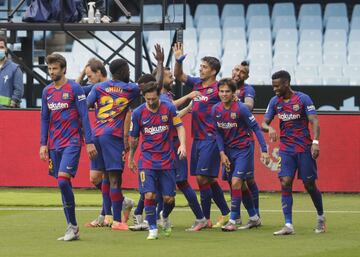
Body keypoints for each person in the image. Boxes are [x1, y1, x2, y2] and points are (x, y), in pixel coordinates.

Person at [39, 53, 97, 241]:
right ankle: (72, 227)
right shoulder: (47, 91)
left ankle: (72, 226)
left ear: (63, 69)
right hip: (54, 144)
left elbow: (84, 116)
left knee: (63, 180)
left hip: (72, 142)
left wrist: (88, 141)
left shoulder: (75, 88)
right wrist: (43, 144)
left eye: (55, 68)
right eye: (49, 69)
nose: (51, 72)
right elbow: (45, 119)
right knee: (62, 184)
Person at [173, 42, 230, 228]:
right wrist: (178, 60)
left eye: (204, 67)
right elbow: (178, 75)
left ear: (213, 71)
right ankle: (226, 212)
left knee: (201, 178)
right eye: (201, 66)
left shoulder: (218, 89)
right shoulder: (197, 84)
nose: (201, 69)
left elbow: (230, 97)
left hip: (211, 137)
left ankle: (204, 219)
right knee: (208, 179)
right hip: (197, 138)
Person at [261, 70, 326, 235]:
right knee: (285, 181)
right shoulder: (275, 101)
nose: (275, 89)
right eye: (273, 86)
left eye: (277, 86)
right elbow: (264, 123)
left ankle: (321, 217)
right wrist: (270, 128)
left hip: (304, 147)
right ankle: (288, 225)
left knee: (309, 185)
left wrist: (316, 142)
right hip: (286, 149)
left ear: (286, 84)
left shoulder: (303, 99)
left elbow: (314, 121)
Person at [152, 44, 207, 231]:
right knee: (161, 183)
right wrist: (188, 98)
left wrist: (187, 109)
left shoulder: (166, 95)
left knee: (181, 182)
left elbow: (172, 116)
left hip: (173, 145)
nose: (172, 79)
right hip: (166, 146)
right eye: (168, 76)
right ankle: (157, 216)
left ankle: (199, 218)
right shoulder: (158, 95)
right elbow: (170, 108)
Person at [129, 81, 187, 240]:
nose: (151, 102)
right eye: (148, 99)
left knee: (169, 199)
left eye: (154, 99)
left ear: (158, 95)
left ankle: (165, 216)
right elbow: (133, 138)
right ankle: (152, 229)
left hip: (167, 160)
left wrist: (182, 145)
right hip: (146, 160)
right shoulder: (138, 113)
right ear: (144, 97)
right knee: (149, 195)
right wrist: (130, 157)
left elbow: (180, 127)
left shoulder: (169, 108)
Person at [87, 58, 140, 230]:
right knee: (115, 178)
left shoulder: (98, 88)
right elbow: (153, 85)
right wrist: (160, 64)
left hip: (97, 135)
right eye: (128, 69)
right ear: (123, 71)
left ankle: (108, 216)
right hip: (113, 137)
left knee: (104, 178)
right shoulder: (130, 88)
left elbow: (85, 105)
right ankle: (117, 221)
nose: (130, 73)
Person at [211, 78, 270, 232]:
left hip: (244, 149)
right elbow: (217, 133)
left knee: (237, 182)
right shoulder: (215, 110)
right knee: (240, 185)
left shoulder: (241, 108)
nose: (224, 94)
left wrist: (264, 149)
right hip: (228, 151)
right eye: (222, 91)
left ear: (233, 93)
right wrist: (222, 153)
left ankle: (232, 220)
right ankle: (254, 217)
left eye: (227, 91)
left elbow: (256, 128)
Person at [227, 61, 262, 227]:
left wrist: (236, 101)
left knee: (247, 179)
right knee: (231, 180)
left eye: (242, 72)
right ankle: (239, 216)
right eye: (236, 69)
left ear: (246, 76)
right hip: (228, 141)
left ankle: (255, 214)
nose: (237, 73)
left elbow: (249, 105)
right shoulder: (226, 87)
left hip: (243, 140)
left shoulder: (247, 90)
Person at [0, 36, 23, 108]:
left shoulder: (15, 69)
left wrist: (12, 104)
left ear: (6, 49)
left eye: (1, 47)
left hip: (7, 111)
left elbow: (18, 91)